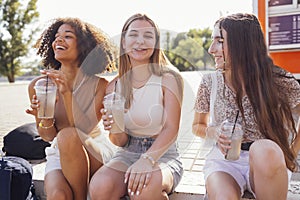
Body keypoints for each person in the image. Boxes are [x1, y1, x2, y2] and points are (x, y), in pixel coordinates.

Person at [192, 13, 300, 200]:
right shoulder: (210, 82)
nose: (211, 49)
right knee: (224, 196)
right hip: (224, 162)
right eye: (212, 41)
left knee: (263, 148)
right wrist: (214, 132)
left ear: (242, 44)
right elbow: (197, 126)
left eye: (219, 41)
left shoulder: (278, 81)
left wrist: (291, 153)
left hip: (265, 161)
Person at [89, 13, 184, 200]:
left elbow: (171, 128)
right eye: (133, 35)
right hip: (126, 154)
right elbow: (119, 142)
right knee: (100, 187)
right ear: (124, 42)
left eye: (148, 36)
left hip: (162, 155)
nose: (140, 41)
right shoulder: (113, 87)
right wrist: (115, 127)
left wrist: (147, 160)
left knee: (144, 190)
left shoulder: (169, 79)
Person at [26, 17, 116, 200]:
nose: (58, 40)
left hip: (93, 149)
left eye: (67, 36)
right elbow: (48, 136)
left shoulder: (99, 85)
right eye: (56, 36)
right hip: (58, 151)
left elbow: (84, 129)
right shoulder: (40, 85)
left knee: (68, 135)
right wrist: (43, 118)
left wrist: (67, 92)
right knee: (59, 195)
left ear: (83, 46)